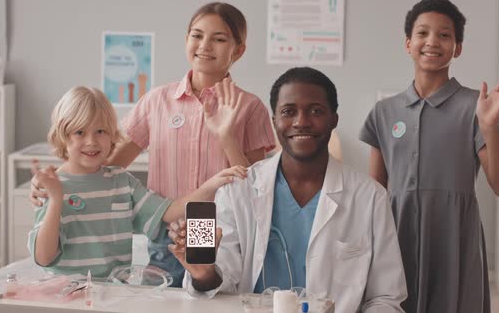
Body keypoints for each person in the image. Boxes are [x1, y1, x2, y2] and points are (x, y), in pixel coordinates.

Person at [30, 2, 275, 286]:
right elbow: (103, 163)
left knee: (204, 301)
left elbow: (255, 188)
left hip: (213, 225)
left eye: (219, 39)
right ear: (186, 40)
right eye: (197, 35)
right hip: (163, 225)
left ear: (239, 50)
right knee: (164, 299)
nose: (205, 45)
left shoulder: (249, 106)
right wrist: (52, 185)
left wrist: (225, 136)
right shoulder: (156, 101)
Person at [168, 67, 407, 313]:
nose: (301, 121)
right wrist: (205, 273)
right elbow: (222, 285)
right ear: (274, 121)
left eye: (315, 111)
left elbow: (386, 298)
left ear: (333, 119)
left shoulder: (370, 197)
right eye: (288, 112)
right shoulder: (238, 190)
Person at [359, 0, 499, 313]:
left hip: (455, 236)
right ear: (408, 43)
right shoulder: (384, 112)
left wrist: (488, 126)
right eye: (422, 33)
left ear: (457, 47)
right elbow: (374, 191)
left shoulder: (477, 107)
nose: (432, 41)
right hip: (397, 234)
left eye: (444, 35)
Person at [28, 86, 246, 278]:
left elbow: (167, 212)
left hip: (114, 294)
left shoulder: (122, 181)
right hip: (68, 297)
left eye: (100, 131)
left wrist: (212, 184)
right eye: (79, 132)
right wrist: (56, 198)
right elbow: (44, 257)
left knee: (203, 284)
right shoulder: (52, 186)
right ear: (62, 136)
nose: (91, 141)